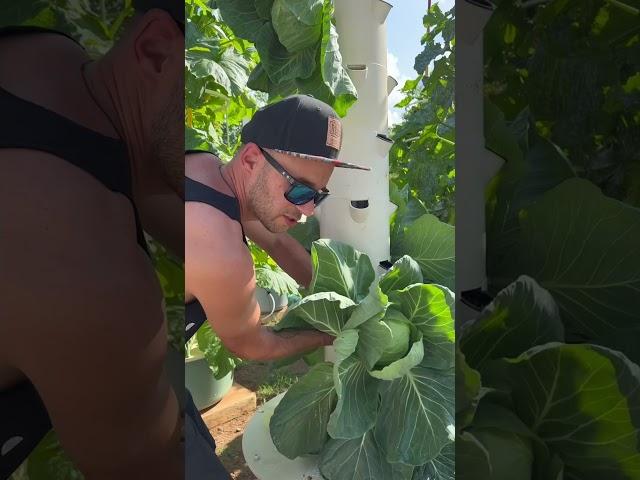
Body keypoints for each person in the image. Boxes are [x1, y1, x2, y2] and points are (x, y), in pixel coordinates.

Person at [0, 1, 185, 478]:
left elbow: (138, 177)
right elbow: (149, 468)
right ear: (158, 49)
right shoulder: (91, 281)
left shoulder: (53, 58)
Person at [184, 94, 370, 478]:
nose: (307, 211)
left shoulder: (208, 170)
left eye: (318, 195)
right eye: (300, 191)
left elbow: (280, 244)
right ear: (251, 158)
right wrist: (326, 334)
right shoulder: (220, 251)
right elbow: (251, 344)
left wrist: (342, 297)